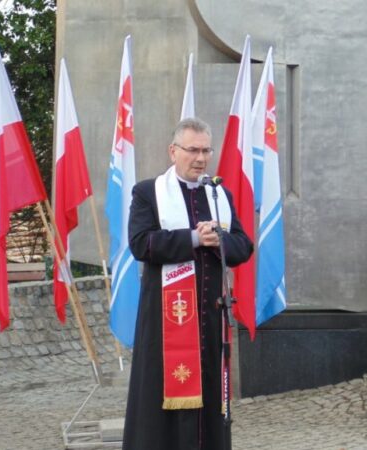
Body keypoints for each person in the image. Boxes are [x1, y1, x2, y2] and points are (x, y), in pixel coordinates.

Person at [122, 118, 253, 450]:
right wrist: (194, 238)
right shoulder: (148, 192)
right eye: (192, 150)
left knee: (210, 399)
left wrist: (217, 240)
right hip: (166, 321)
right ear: (173, 151)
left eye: (206, 150)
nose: (201, 158)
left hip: (209, 319)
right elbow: (140, 243)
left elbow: (243, 246)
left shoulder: (218, 193)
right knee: (162, 399)